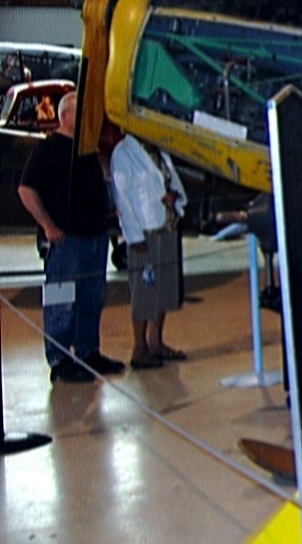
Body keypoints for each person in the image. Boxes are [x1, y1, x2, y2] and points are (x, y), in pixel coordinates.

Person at [17, 93, 123, 383]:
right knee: (61, 300)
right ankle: (59, 359)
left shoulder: (88, 149)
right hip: (66, 241)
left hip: (94, 236)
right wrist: (48, 226)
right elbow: (26, 190)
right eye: (82, 113)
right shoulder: (49, 149)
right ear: (65, 117)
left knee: (92, 298)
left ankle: (89, 351)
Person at [110, 133, 189, 369]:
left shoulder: (159, 146)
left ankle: (156, 342)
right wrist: (133, 236)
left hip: (167, 224)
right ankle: (139, 347)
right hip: (145, 231)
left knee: (164, 288)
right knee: (144, 291)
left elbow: (172, 180)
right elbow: (121, 198)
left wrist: (174, 196)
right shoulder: (123, 152)